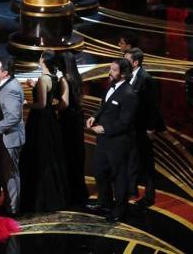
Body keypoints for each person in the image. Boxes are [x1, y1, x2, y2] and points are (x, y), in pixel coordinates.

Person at [86, 58, 138, 222]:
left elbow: (125, 122)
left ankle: (120, 209)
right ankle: (104, 202)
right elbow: (104, 107)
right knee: (100, 172)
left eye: (114, 70)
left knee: (119, 176)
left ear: (123, 74)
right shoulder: (111, 87)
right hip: (103, 141)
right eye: (110, 68)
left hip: (118, 142)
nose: (110, 72)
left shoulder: (129, 94)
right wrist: (94, 117)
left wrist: (105, 129)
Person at [20, 50, 69, 212]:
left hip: (39, 122)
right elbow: (59, 103)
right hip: (51, 121)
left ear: (43, 60)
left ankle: (39, 198)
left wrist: (26, 104)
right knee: (50, 156)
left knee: (39, 157)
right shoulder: (56, 79)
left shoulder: (43, 79)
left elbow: (40, 104)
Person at [124, 48, 165, 207]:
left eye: (126, 60)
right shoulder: (128, 75)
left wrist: (150, 128)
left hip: (143, 128)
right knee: (132, 159)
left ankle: (149, 196)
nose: (123, 62)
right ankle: (132, 191)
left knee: (146, 162)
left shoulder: (146, 79)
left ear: (135, 62)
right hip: (132, 127)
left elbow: (152, 106)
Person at [0, 57, 25, 216]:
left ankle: (13, 208)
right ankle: (8, 203)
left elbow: (14, 116)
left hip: (10, 139)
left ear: (5, 73)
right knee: (5, 174)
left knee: (10, 175)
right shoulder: (4, 85)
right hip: (4, 139)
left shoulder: (11, 88)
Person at [57, 52, 88, 205]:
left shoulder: (64, 79)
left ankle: (70, 193)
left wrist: (53, 106)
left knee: (68, 156)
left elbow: (64, 104)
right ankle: (79, 191)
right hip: (76, 120)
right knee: (77, 155)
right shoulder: (77, 77)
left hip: (67, 121)